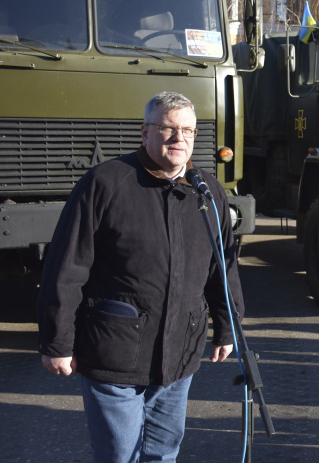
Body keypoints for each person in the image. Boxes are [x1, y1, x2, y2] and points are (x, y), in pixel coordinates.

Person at [37, 91, 244, 462]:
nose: (178, 138)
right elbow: (66, 267)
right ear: (144, 132)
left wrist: (227, 326)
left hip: (181, 353)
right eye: (167, 128)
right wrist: (57, 341)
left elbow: (222, 268)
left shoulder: (208, 192)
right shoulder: (105, 182)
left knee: (164, 452)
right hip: (115, 351)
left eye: (187, 131)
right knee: (120, 455)